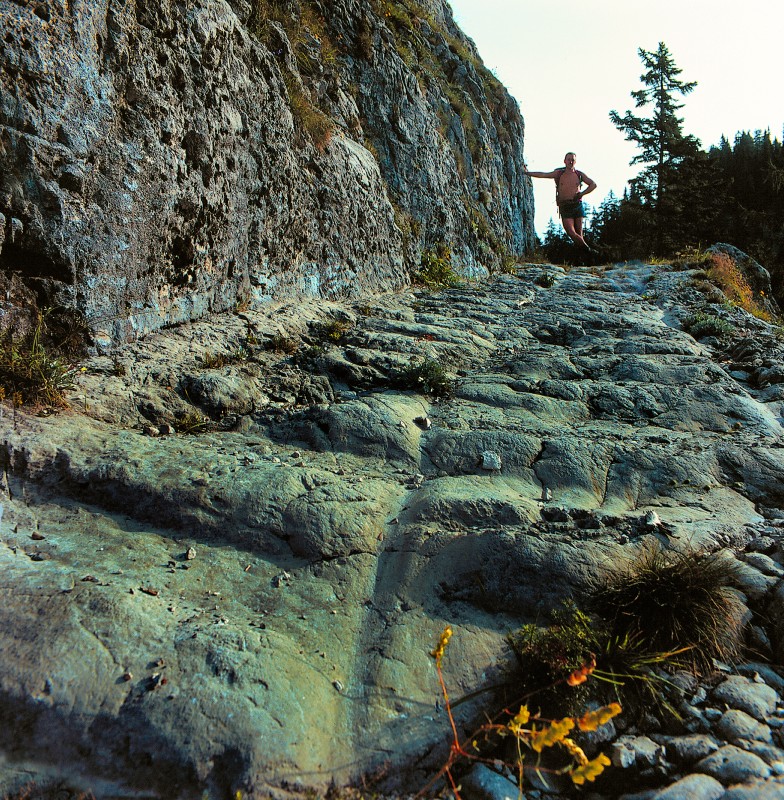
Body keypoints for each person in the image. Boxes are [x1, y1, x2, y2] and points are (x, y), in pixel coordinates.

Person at [523, 152, 597, 252]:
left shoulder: (579, 174)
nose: (571, 161)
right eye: (569, 159)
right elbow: (543, 174)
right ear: (564, 161)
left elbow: (593, 184)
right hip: (565, 206)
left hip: (577, 205)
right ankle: (589, 251)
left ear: (575, 162)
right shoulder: (559, 173)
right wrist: (528, 173)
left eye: (573, 160)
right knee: (571, 232)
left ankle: (585, 257)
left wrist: (582, 193)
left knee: (579, 234)